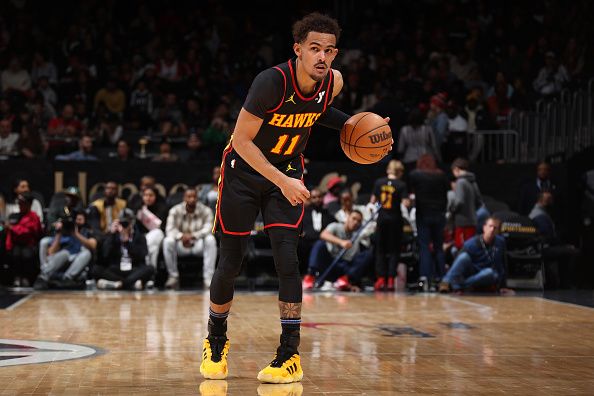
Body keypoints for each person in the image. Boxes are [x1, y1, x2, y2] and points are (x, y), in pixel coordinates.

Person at [201, 12, 391, 384]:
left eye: (329, 51)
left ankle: (289, 354)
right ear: (298, 49)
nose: (322, 57)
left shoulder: (332, 82)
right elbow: (241, 141)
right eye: (315, 49)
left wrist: (370, 130)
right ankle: (216, 340)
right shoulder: (271, 82)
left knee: (287, 258)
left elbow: (318, 112)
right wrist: (281, 181)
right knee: (231, 260)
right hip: (243, 170)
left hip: (286, 170)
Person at [302, 210, 373, 292]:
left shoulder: (357, 237)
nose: (355, 222)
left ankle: (346, 281)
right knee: (319, 244)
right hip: (329, 262)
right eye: (354, 219)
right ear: (348, 218)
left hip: (343, 268)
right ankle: (310, 277)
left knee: (367, 254)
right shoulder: (335, 226)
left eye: (358, 221)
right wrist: (341, 242)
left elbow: (355, 263)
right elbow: (323, 235)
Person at [439, 216, 510, 293]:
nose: (492, 229)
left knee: (491, 273)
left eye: (495, 228)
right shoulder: (471, 243)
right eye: (490, 226)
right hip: (472, 271)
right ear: (484, 228)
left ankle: (459, 286)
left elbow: (503, 264)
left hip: (487, 274)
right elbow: (457, 263)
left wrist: (503, 286)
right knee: (463, 257)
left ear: (498, 231)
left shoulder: (500, 242)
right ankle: (445, 282)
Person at [163, 188, 216, 290]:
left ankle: (208, 278)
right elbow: (169, 229)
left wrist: (193, 236)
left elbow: (209, 228)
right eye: (189, 196)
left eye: (194, 197)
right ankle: (173, 277)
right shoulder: (175, 210)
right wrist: (181, 236)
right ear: (184, 198)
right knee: (167, 241)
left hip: (198, 244)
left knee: (210, 239)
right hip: (180, 245)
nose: (192, 199)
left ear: (198, 198)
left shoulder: (206, 210)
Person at [409, 154, 449, 288]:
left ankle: (424, 278)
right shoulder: (441, 175)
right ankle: (442, 278)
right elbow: (445, 194)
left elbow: (411, 192)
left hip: (423, 214)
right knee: (439, 248)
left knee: (424, 247)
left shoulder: (415, 175)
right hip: (439, 214)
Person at [92, 209, 154, 290]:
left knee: (150, 268)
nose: (124, 226)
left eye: (126, 223)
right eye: (122, 223)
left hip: (133, 269)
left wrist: (128, 242)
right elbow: (105, 255)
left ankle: (118, 284)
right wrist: (112, 235)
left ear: (132, 223)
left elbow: (141, 256)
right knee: (96, 269)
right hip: (116, 269)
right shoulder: (112, 236)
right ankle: (131, 284)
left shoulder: (139, 237)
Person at [33, 210, 97, 290]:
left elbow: (93, 245)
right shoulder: (64, 232)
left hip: (77, 262)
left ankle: (67, 278)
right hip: (62, 261)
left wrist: (76, 234)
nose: (78, 222)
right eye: (76, 219)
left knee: (87, 253)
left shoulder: (86, 231)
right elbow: (51, 252)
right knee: (64, 253)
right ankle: (43, 277)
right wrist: (59, 233)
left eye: (80, 219)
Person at [370, 160, 408, 291]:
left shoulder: (379, 182)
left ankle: (380, 279)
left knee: (380, 249)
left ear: (388, 170)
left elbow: (373, 201)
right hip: (395, 219)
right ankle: (391, 280)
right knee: (394, 250)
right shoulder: (401, 184)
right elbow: (406, 203)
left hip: (382, 219)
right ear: (400, 172)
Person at [529, 191, 579, 288]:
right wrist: (564, 246)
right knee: (573, 252)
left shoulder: (543, 213)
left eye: (551, 199)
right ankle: (566, 283)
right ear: (540, 200)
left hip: (547, 246)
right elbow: (549, 237)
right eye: (548, 200)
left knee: (566, 251)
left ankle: (563, 282)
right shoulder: (539, 216)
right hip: (543, 248)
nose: (551, 202)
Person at [5, 192, 43, 286]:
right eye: (19, 203)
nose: (20, 205)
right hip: (15, 243)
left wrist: (12, 228)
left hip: (29, 244)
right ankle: (17, 277)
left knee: (26, 254)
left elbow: (28, 231)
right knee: (15, 253)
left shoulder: (33, 216)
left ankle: (26, 278)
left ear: (29, 204)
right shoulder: (14, 216)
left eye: (23, 203)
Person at [449, 158, 483, 249]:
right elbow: (479, 202)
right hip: (473, 221)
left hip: (462, 222)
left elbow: (459, 201)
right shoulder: (472, 181)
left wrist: (451, 210)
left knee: (461, 248)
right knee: (471, 248)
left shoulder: (460, 182)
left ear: (456, 169)